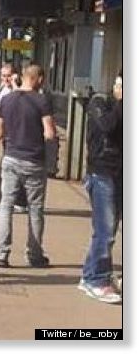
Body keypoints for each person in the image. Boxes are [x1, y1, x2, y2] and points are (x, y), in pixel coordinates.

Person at [0, 64, 55, 268]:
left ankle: (1, 254)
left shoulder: (7, 100)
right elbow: (50, 133)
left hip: (10, 159)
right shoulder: (42, 101)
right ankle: (34, 255)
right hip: (34, 161)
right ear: (39, 79)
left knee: (6, 207)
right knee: (35, 209)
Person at [78, 71, 122, 304]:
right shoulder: (100, 102)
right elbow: (107, 126)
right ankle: (96, 279)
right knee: (105, 231)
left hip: (122, 174)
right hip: (102, 173)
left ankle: (93, 273)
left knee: (111, 229)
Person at [0, 63, 29, 213]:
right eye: (3, 75)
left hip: (16, 135)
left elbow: (23, 102)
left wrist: (15, 84)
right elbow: (0, 114)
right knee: (10, 167)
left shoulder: (20, 91)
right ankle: (12, 200)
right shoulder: (2, 90)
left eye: (8, 75)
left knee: (12, 167)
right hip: (7, 134)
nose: (5, 79)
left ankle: (10, 200)